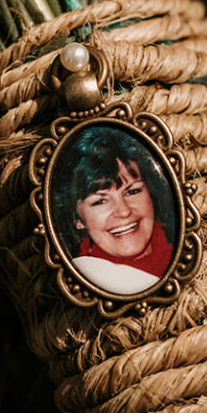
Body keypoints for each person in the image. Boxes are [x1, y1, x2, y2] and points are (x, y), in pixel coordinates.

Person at [52, 125, 176, 295]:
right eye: (100, 201)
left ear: (151, 195)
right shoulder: (83, 275)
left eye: (133, 191)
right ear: (77, 219)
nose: (124, 211)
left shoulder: (177, 255)